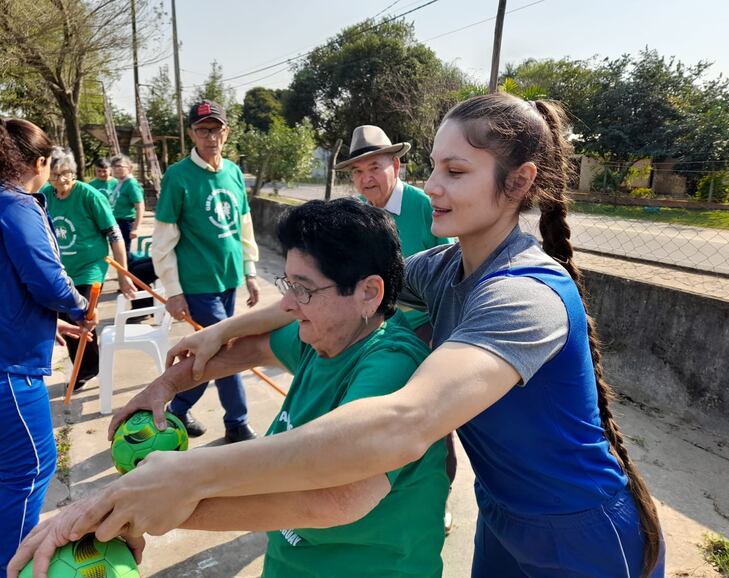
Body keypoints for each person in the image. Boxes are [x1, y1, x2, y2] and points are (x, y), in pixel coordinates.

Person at [12, 94, 667, 578]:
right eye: (434, 168)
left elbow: (400, 424)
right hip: (503, 518)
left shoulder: (523, 294)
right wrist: (220, 335)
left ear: (518, 182)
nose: (432, 187)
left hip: (581, 529)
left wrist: (187, 476)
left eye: (457, 172)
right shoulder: (443, 270)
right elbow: (327, 290)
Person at [9, 199, 449, 578]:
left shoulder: (391, 366)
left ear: (369, 293)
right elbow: (247, 350)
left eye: (304, 289)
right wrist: (163, 386)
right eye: (288, 284)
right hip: (292, 563)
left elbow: (336, 497)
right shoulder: (321, 335)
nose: (289, 305)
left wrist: (147, 508)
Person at [336, 124, 457, 531]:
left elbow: (455, 269)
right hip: (380, 329)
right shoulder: (359, 213)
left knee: (434, 420)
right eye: (358, 172)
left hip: (427, 328)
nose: (367, 178)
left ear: (397, 165)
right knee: (376, 414)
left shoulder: (427, 207)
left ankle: (437, 499)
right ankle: (373, 493)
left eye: (375, 167)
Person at [0, 118, 94, 575]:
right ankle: (12, 565)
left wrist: (47, 323)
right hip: (9, 371)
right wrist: (76, 306)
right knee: (33, 468)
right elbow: (47, 278)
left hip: (11, 347)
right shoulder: (16, 204)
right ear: (38, 163)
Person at [151, 99, 260, 443]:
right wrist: (173, 291)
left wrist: (250, 271)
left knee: (210, 352)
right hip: (197, 285)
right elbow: (163, 240)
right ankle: (237, 422)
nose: (210, 137)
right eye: (202, 130)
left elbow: (244, 225)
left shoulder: (233, 173)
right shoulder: (178, 177)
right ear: (191, 133)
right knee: (226, 352)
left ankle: (178, 409)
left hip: (228, 279)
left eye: (216, 129)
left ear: (226, 132)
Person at [41, 147, 136, 390]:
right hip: (62, 270)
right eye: (54, 175)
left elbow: (114, 235)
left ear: (73, 172)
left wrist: (123, 275)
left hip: (90, 268)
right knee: (64, 317)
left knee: (80, 314)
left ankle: (85, 371)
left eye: (66, 173)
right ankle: (87, 366)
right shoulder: (45, 195)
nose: (61, 180)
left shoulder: (89, 195)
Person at [108, 154, 145, 255]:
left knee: (123, 255)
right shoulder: (118, 183)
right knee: (117, 255)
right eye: (114, 167)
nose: (116, 169)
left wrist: (136, 228)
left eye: (120, 166)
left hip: (125, 223)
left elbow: (140, 207)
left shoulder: (131, 184)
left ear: (129, 167)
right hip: (115, 222)